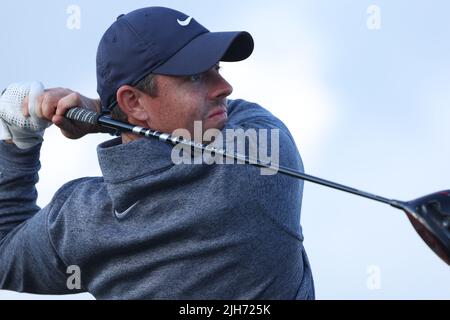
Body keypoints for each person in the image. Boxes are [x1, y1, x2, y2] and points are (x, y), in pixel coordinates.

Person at [0, 7, 314, 299]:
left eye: (215, 68)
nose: (225, 87)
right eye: (195, 76)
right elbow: (243, 116)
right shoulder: (260, 162)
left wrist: (20, 145)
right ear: (133, 102)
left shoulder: (79, 221)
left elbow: (5, 251)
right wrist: (98, 114)